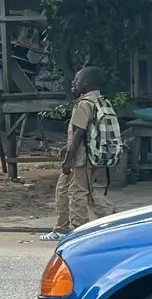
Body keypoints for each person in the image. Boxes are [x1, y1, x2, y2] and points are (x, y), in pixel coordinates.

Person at [41, 66, 113, 241]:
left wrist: (68, 159)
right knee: (68, 190)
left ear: (86, 83)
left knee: (77, 193)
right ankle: (61, 228)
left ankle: (81, 231)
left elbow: (79, 133)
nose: (73, 83)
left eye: (77, 80)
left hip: (81, 158)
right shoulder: (100, 100)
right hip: (90, 155)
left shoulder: (84, 104)